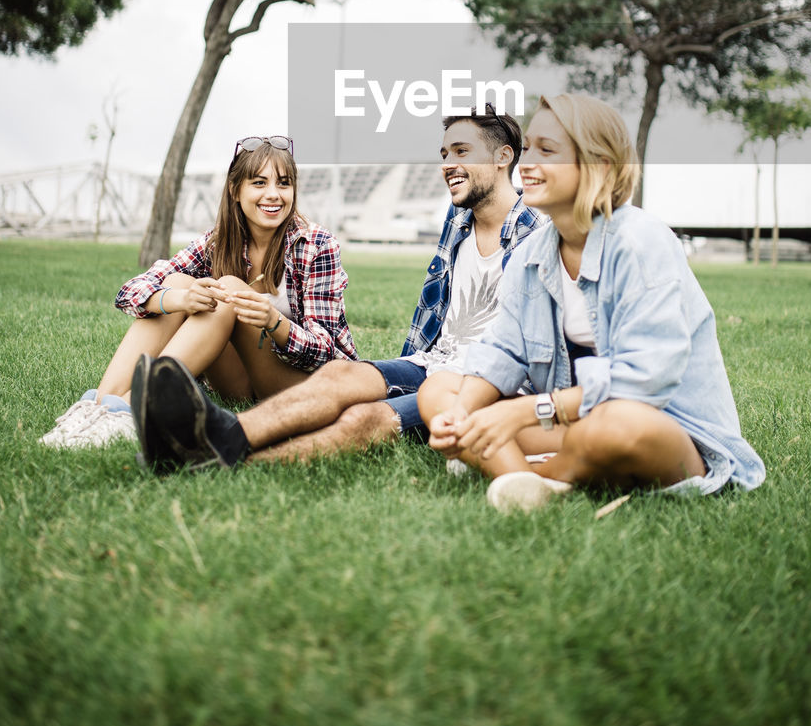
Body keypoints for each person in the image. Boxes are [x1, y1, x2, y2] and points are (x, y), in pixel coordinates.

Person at [130, 106, 546, 470]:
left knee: (366, 420)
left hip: (492, 380)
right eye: (443, 154)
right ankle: (220, 431)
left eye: (461, 152)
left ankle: (222, 458)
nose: (447, 164)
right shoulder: (459, 223)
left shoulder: (541, 230)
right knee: (339, 375)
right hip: (433, 363)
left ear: (502, 157)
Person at [418, 93, 766, 513]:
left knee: (614, 425)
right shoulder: (532, 255)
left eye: (547, 150)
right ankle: (526, 486)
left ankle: (531, 471)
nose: (526, 163)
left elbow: (644, 383)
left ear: (598, 165)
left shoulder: (641, 241)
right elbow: (501, 351)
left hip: (662, 432)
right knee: (439, 389)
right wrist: (461, 413)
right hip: (571, 424)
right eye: (527, 148)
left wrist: (524, 412)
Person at [40, 135, 356, 449]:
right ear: (236, 190)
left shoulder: (316, 245)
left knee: (228, 288)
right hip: (238, 384)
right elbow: (130, 292)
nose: (273, 194)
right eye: (259, 183)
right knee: (177, 284)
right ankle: (98, 410)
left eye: (283, 184)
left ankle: (135, 407)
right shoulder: (219, 241)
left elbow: (328, 353)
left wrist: (275, 323)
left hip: (302, 384)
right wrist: (179, 299)